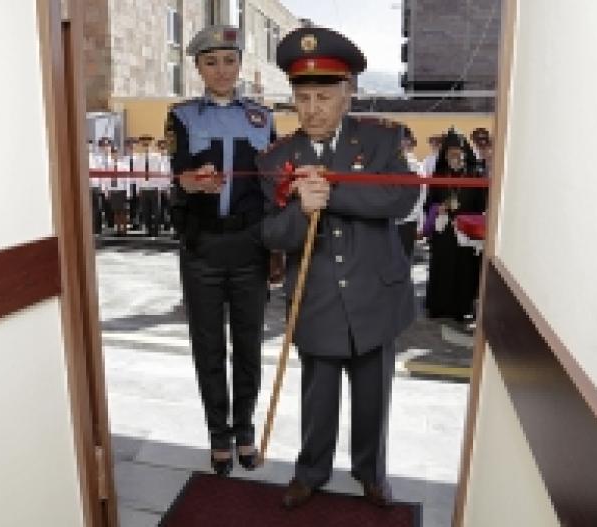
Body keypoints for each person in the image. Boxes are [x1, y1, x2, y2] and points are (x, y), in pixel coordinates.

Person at [257, 26, 418, 510]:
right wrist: (300, 212)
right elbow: (271, 235)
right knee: (318, 400)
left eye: (324, 96)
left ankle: (370, 472)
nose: (312, 109)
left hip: (375, 297)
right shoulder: (277, 158)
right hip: (318, 299)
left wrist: (335, 192)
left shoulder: (381, 139)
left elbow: (402, 196)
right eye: (302, 98)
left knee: (373, 400)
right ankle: (311, 471)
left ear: (348, 93)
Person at [165, 24, 276, 476]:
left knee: (248, 345)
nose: (221, 70)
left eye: (228, 60)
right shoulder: (184, 116)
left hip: (249, 245)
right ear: (198, 68)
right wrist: (189, 183)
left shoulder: (262, 117)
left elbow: (272, 187)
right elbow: (178, 175)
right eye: (211, 62)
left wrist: (275, 249)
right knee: (208, 346)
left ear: (240, 65)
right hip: (203, 245)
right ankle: (218, 434)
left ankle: (245, 429)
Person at [424, 128, 488, 323]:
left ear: (464, 152)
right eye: (450, 151)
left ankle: (460, 308)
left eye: (457, 151)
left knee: (464, 269)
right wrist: (438, 208)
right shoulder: (439, 174)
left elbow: (482, 205)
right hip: (444, 233)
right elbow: (429, 202)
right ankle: (438, 307)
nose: (454, 155)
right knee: (441, 268)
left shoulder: (475, 174)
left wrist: (465, 217)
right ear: (445, 153)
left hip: (465, 232)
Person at [395, 126, 427, 260]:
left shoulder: (415, 166)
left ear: (408, 142)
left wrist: (408, 215)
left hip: (406, 221)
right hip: (386, 221)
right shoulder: (385, 162)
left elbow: (421, 195)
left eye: (400, 139)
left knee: (403, 260)